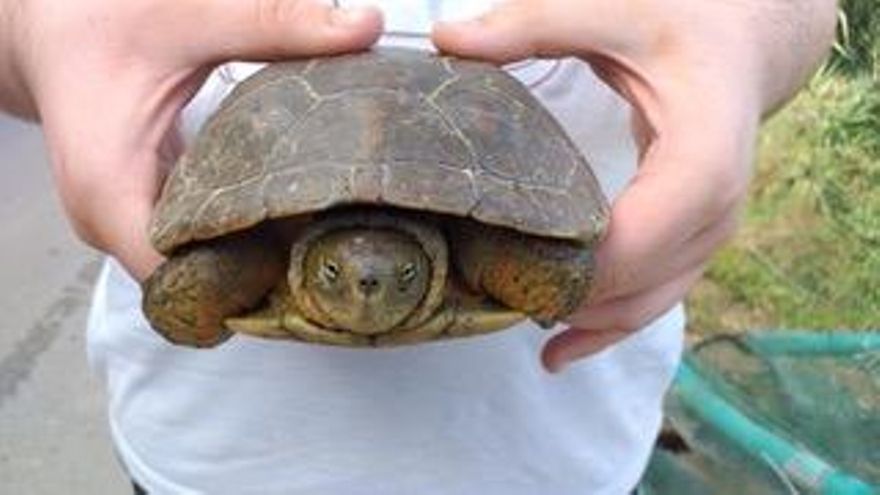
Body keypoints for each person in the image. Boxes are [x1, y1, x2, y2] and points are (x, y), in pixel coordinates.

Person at [0, 0, 836, 493]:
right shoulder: (253, 257)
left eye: (387, 276)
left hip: (564, 466)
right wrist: (46, 28)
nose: (365, 287)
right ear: (305, 264)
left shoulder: (486, 252)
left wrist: (739, 35)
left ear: (431, 265)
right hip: (198, 464)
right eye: (338, 276)